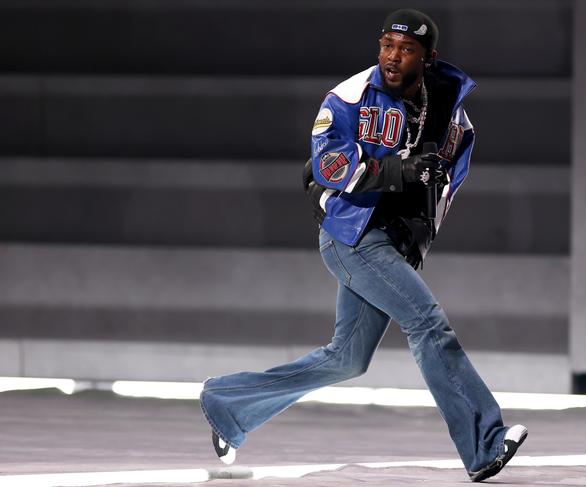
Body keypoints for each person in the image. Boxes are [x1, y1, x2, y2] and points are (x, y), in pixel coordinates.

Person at [200, 8, 527, 482]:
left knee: (347, 359)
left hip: (392, 244)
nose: (393, 57)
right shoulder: (348, 97)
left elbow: (448, 187)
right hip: (352, 235)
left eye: (406, 50)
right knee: (428, 324)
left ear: (428, 58)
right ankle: (484, 445)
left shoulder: (453, 116)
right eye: (387, 46)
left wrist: (420, 240)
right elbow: (328, 166)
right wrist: (402, 172)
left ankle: (226, 403)